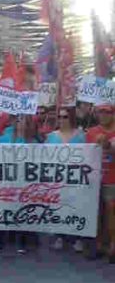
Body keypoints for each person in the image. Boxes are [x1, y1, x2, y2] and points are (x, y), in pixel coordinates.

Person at [0, 115, 40, 255]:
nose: (20, 122)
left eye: (23, 119)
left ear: (28, 122)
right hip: (8, 181)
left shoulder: (32, 141)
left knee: (22, 212)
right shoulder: (7, 137)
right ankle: (0, 242)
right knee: (6, 211)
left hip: (25, 182)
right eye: (17, 120)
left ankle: (21, 242)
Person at [45, 108, 86, 253]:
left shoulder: (81, 136)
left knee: (75, 207)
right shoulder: (51, 136)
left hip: (75, 179)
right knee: (59, 207)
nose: (62, 119)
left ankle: (76, 238)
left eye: (65, 117)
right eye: (60, 117)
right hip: (56, 179)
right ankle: (59, 236)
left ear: (72, 118)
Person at [86, 104, 115, 264]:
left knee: (111, 212)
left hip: (112, 179)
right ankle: (98, 246)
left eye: (107, 112)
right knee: (95, 214)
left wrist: (108, 146)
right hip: (94, 179)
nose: (104, 115)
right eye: (100, 112)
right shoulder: (91, 132)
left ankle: (112, 246)